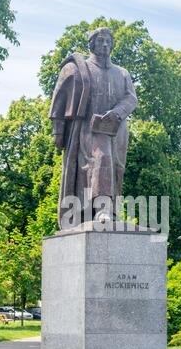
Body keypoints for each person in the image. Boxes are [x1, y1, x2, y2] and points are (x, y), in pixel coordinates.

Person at [49, 27, 138, 228]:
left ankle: (107, 211)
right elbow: (60, 96)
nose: (105, 45)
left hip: (116, 127)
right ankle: (102, 209)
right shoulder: (80, 69)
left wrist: (116, 113)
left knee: (116, 168)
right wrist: (58, 128)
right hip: (88, 127)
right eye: (100, 41)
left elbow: (131, 98)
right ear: (92, 44)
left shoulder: (122, 73)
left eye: (108, 41)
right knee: (101, 159)